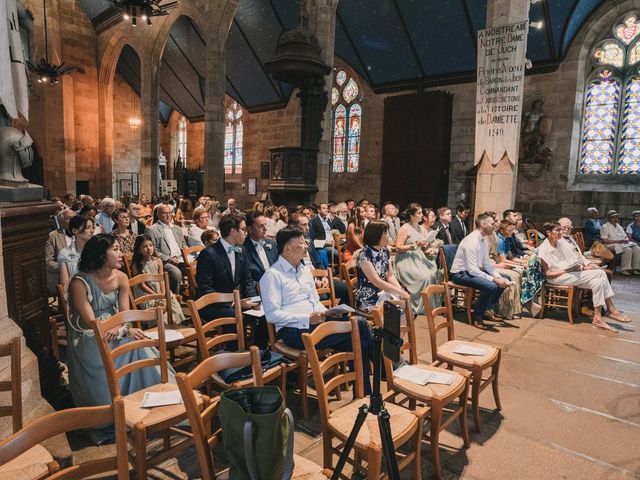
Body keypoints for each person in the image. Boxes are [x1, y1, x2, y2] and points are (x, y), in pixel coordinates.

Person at [67, 234, 169, 444]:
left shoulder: (121, 276)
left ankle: (150, 402)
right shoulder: (79, 282)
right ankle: (112, 409)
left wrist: (125, 328)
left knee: (139, 342)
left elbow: (126, 312)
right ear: (101, 255)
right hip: (89, 335)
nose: (122, 253)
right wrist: (120, 329)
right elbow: (90, 322)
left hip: (118, 325)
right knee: (118, 342)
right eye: (115, 249)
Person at [260, 226, 374, 394]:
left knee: (357, 333)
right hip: (294, 331)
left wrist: (329, 312)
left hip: (317, 322)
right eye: (301, 243)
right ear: (287, 248)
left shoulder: (304, 270)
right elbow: (271, 315)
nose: (306, 246)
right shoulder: (272, 275)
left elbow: (314, 301)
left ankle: (364, 390)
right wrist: (306, 319)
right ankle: (380, 372)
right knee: (359, 326)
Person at [537, 222, 629, 331]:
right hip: (557, 278)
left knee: (598, 282)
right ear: (548, 232)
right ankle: (611, 309)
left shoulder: (561, 242)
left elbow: (576, 257)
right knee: (600, 273)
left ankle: (598, 318)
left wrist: (583, 265)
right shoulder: (543, 249)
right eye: (557, 230)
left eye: (560, 230)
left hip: (570, 273)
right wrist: (569, 269)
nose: (560, 233)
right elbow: (548, 274)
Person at [195, 212, 257, 330]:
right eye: (243, 229)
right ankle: (234, 348)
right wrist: (234, 303)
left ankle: (260, 347)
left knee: (265, 311)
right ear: (233, 231)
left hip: (238, 299)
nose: (246, 233)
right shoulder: (208, 254)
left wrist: (254, 299)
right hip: (213, 303)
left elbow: (248, 280)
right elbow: (205, 288)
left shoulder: (242, 250)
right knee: (236, 316)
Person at [450, 213, 511, 328]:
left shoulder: (483, 240)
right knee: (491, 286)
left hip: (471, 271)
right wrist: (494, 279)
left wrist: (498, 276)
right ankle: (477, 316)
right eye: (492, 224)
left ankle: (487, 309)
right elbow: (472, 269)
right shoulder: (471, 240)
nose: (494, 226)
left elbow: (487, 264)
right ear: (483, 224)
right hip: (459, 274)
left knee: (506, 278)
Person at [394, 203, 441, 314]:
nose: (421, 215)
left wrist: (427, 245)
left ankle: (429, 306)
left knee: (433, 273)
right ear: (411, 215)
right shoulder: (405, 228)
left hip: (418, 257)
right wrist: (414, 245)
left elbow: (423, 244)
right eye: (419, 213)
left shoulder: (421, 228)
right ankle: (418, 307)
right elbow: (398, 247)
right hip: (405, 259)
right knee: (424, 277)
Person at [355, 221, 409, 313]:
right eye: (385, 233)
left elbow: (390, 276)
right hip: (368, 298)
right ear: (376, 235)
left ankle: (396, 326)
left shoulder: (384, 251)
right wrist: (401, 292)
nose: (388, 236)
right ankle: (387, 327)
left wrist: (399, 290)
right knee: (396, 311)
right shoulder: (364, 255)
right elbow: (377, 282)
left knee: (406, 306)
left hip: (383, 292)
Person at [131, 235, 185, 324]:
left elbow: (161, 279)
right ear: (138, 250)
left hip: (159, 288)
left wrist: (162, 293)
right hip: (146, 291)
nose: (149, 248)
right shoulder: (137, 264)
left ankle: (174, 325)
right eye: (145, 246)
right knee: (157, 309)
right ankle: (159, 326)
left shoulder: (158, 261)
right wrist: (155, 295)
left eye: (150, 245)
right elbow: (142, 285)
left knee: (171, 303)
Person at [146, 204, 187, 293]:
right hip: (165, 261)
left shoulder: (177, 228)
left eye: (170, 213)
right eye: (164, 213)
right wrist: (169, 259)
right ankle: (173, 298)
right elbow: (153, 250)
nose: (168, 216)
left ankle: (196, 295)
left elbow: (184, 246)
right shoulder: (152, 230)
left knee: (199, 266)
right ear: (158, 214)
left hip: (181, 258)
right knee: (176, 273)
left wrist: (187, 256)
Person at [58, 215, 95, 289]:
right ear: (74, 231)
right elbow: (65, 285)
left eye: (93, 227)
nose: (92, 231)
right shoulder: (65, 253)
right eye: (87, 227)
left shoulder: (98, 250)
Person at [242, 211, 278, 283]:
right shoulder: (243, 248)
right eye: (260, 226)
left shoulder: (271, 243)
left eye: (265, 224)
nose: (265, 229)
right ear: (249, 229)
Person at [600, 210, 640, 275]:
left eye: (617, 217)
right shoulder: (605, 227)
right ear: (609, 219)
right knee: (627, 250)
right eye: (613, 217)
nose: (616, 219)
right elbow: (605, 241)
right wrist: (618, 241)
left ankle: (635, 268)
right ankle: (625, 269)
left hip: (622, 243)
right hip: (609, 245)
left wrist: (626, 240)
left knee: (637, 248)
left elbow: (625, 236)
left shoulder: (618, 226)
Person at [46, 208, 75, 295]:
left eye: (74, 218)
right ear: (60, 221)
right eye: (69, 218)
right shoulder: (52, 236)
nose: (73, 221)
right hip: (61, 276)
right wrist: (66, 268)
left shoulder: (80, 233)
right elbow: (48, 262)